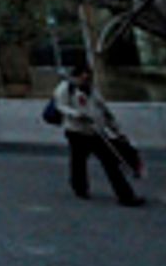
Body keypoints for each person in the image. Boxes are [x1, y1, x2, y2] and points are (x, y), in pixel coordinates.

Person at [52, 63, 144, 207]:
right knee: (79, 162)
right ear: (76, 75)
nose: (86, 77)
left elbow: (103, 110)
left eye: (88, 75)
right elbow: (61, 106)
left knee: (110, 163)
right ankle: (80, 187)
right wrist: (77, 115)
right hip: (77, 132)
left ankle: (126, 196)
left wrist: (116, 130)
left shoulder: (93, 90)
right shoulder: (65, 88)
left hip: (96, 132)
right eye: (83, 75)